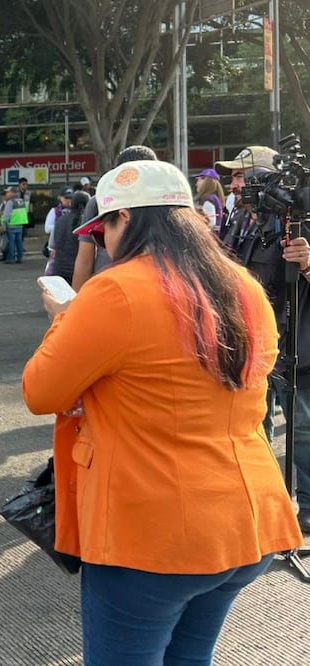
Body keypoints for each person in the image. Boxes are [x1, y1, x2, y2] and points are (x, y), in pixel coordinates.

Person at [23, 159, 301, 665]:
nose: (102, 242)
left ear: (124, 220)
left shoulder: (114, 291)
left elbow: (41, 391)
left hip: (153, 532)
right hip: (247, 517)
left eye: (103, 227)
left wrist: (64, 318)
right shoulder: (243, 286)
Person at [218, 144, 310, 532]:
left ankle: (306, 503)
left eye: (242, 175)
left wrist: (306, 261)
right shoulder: (240, 220)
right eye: (235, 177)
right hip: (249, 344)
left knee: (301, 428)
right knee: (252, 426)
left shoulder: (297, 221)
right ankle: (262, 499)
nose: (235, 184)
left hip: (294, 346)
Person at [71, 145, 157, 291]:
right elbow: (84, 259)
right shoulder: (100, 202)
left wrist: (71, 308)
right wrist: (74, 305)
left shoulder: (163, 204)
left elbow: (85, 259)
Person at [49, 191, 89, 283]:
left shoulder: (60, 220)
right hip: (79, 271)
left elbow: (52, 245)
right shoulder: (86, 222)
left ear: (71, 203)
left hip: (59, 269)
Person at [193, 167, 226, 234]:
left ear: (205, 181)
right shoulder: (213, 198)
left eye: (198, 180)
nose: (196, 184)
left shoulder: (207, 199)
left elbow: (211, 223)